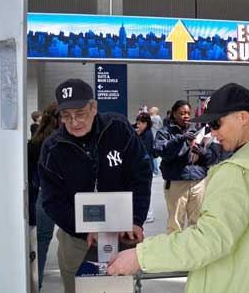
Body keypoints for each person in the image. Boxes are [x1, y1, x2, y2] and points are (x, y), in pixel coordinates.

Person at [107, 83, 249, 293]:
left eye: (217, 123)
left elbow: (209, 240)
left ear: (242, 117)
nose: (213, 133)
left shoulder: (237, 172)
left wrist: (141, 256)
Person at [38, 79, 152, 293]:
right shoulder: (53, 148)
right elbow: (52, 200)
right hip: (76, 239)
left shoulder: (118, 129)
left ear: (94, 107)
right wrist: (82, 229)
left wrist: (136, 219)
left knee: (121, 286)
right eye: (66, 116)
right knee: (78, 287)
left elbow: (140, 175)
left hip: (122, 232)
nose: (74, 122)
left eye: (80, 113)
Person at [154, 100, 213, 233]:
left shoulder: (197, 131)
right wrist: (180, 139)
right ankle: (174, 252)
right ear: (174, 114)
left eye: (188, 113)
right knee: (175, 223)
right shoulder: (164, 132)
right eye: (182, 113)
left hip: (198, 181)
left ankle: (195, 252)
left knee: (197, 222)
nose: (186, 116)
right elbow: (162, 152)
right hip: (176, 182)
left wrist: (202, 152)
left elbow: (209, 157)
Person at [27, 102, 59, 291]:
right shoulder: (64, 140)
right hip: (71, 198)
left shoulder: (35, 142)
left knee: (41, 242)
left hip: (43, 196)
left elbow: (31, 177)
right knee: (76, 241)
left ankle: (36, 284)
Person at [135, 112, 155, 223]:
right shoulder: (144, 133)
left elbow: (143, 151)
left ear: (146, 123)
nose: (138, 126)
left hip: (146, 168)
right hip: (143, 168)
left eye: (139, 123)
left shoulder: (147, 135)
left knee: (146, 191)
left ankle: (149, 214)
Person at [148, 106, 163, 175]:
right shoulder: (157, 117)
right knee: (153, 154)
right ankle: (154, 170)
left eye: (151, 109)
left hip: (153, 138)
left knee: (153, 155)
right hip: (154, 137)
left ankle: (155, 170)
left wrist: (144, 112)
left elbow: (146, 119)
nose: (149, 110)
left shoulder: (154, 118)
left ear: (154, 111)